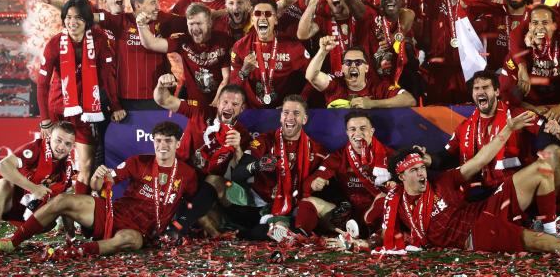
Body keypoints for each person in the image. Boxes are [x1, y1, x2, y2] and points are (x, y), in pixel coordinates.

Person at [378, 114, 560, 258]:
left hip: (486, 208)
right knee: (534, 242)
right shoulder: (395, 204)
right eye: (414, 170)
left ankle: (550, 225)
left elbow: (481, 159)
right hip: (475, 235)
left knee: (544, 167)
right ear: (401, 177)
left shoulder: (442, 180)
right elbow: (385, 232)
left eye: (422, 168)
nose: (422, 173)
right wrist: (362, 241)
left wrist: (508, 129)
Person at [0, 121, 199, 259]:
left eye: (168, 141)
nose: (162, 145)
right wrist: (97, 177)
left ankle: (77, 251)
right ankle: (13, 242)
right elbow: (98, 186)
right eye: (158, 140)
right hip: (111, 213)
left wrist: (189, 226)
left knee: (132, 241)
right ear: (153, 142)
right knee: (63, 200)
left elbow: (194, 202)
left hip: (140, 231)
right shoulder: (138, 162)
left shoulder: (187, 174)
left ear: (178, 143)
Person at [432, 71, 560, 191]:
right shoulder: (465, 127)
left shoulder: (518, 114)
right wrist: (422, 158)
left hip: (516, 186)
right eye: (476, 88)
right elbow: (442, 159)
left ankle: (547, 215)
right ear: (473, 94)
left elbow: (554, 137)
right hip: (484, 190)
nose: (480, 92)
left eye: (486, 87)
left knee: (556, 153)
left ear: (497, 91)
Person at [153, 76, 251, 238]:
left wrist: (238, 148)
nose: (229, 107)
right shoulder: (200, 110)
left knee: (213, 212)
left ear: (242, 108)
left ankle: (181, 227)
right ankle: (179, 227)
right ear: (217, 103)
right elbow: (164, 100)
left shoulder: (242, 134)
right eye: (225, 102)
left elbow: (239, 172)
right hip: (180, 179)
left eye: (235, 104)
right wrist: (161, 84)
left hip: (206, 189)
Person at [38, 0, 120, 186]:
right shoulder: (54, 44)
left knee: (87, 165)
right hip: (58, 111)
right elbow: (42, 84)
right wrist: (45, 120)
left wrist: (115, 106)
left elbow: (108, 78)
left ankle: (76, 209)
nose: (73, 22)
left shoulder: (99, 41)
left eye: (79, 18)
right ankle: (48, 208)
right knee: (51, 166)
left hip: (87, 112)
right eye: (68, 17)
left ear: (87, 21)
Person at [229, 95, 327, 242]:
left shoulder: (317, 149)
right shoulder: (263, 140)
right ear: (281, 116)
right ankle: (282, 230)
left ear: (305, 119)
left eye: (296, 113)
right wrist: (258, 165)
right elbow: (237, 174)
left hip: (296, 206)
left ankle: (281, 230)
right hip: (262, 204)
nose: (290, 117)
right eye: (286, 112)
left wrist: (322, 181)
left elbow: (327, 180)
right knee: (228, 192)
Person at [0, 122, 77, 255]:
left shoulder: (67, 168)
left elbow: (67, 206)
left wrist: (71, 240)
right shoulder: (35, 148)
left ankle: (13, 242)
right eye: (58, 140)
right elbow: (2, 165)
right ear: (50, 137)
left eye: (67, 144)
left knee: (63, 199)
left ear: (73, 146)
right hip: (14, 203)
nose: (61, 147)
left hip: (38, 218)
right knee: (3, 184)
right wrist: (33, 188)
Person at [301, 110, 395, 239]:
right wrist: (314, 183)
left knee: (384, 200)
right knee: (308, 202)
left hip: (377, 213)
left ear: (372, 131)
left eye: (363, 128)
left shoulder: (389, 155)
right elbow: (307, 184)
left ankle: (369, 233)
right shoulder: (338, 156)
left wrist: (396, 184)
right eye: (352, 129)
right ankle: (300, 238)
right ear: (347, 133)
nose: (357, 133)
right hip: (346, 214)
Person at [100, 0, 187, 111]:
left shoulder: (163, 20)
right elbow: (88, 16)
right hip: (126, 100)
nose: (158, 6)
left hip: (158, 97)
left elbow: (191, 22)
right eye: (153, 3)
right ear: (138, 5)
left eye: (158, 2)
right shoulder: (121, 21)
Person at [505, 5, 560, 122]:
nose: (540, 27)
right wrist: (532, 108)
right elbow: (504, 93)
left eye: (545, 22)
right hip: (530, 114)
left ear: (554, 26)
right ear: (529, 26)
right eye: (535, 23)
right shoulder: (519, 51)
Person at [230, 0, 310, 109]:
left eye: (267, 14)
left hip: (283, 112)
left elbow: (313, 76)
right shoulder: (240, 47)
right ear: (252, 19)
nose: (262, 18)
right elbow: (232, 89)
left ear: (276, 19)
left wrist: (301, 100)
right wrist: (244, 72)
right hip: (251, 112)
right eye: (257, 14)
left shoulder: (292, 46)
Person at [305, 39, 416, 108]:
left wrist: (372, 104)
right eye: (348, 62)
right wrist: (323, 51)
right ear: (343, 68)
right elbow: (311, 76)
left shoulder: (378, 86)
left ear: (366, 68)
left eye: (358, 62)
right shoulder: (335, 85)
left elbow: (409, 100)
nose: (353, 66)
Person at [297, 0, 357, 77]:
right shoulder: (324, 19)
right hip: (332, 79)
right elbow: (302, 34)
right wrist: (313, 0)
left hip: (360, 77)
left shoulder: (359, 15)